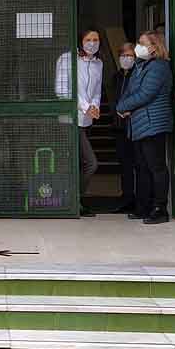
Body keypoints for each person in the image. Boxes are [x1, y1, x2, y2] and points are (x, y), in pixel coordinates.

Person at [115, 31, 173, 224]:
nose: (137, 46)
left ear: (154, 47)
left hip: (153, 123)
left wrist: (123, 107)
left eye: (142, 43)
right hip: (140, 124)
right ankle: (144, 206)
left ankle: (159, 208)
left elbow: (145, 94)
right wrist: (123, 107)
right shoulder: (141, 66)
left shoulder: (159, 67)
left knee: (156, 167)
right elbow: (131, 91)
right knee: (142, 167)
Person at [60, 28, 105, 216]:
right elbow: (62, 89)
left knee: (80, 164)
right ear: (80, 40)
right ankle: (73, 200)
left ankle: (75, 201)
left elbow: (96, 90)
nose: (92, 43)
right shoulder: (67, 59)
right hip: (69, 120)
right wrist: (86, 106)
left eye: (96, 39)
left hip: (86, 121)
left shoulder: (98, 63)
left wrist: (95, 106)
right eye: (88, 39)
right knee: (90, 163)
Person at [113, 41, 141, 217]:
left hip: (135, 125)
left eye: (129, 55)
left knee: (138, 164)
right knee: (124, 165)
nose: (126, 58)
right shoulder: (116, 76)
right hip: (119, 126)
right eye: (123, 55)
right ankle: (127, 198)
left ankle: (140, 200)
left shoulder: (138, 74)